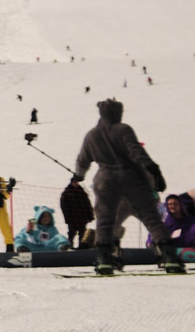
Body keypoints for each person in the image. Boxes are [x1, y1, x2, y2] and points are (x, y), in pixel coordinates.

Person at [73, 100, 181, 275]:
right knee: (151, 217)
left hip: (104, 180)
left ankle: (104, 259)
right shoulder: (123, 129)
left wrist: (78, 176)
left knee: (105, 221)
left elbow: (82, 160)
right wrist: (153, 170)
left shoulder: (91, 135)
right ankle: (169, 257)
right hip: (132, 178)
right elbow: (136, 152)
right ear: (117, 113)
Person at [58, 177, 95, 249]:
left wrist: (90, 216)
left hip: (82, 218)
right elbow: (64, 207)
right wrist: (67, 218)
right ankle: (69, 247)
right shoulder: (66, 193)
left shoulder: (82, 192)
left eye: (77, 182)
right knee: (71, 233)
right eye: (74, 182)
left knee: (82, 234)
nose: (76, 183)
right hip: (72, 218)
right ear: (71, 182)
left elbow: (87, 204)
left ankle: (82, 248)